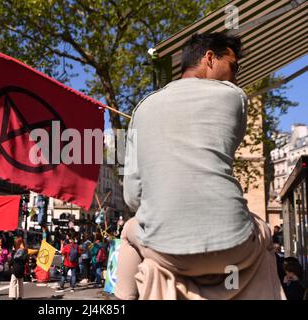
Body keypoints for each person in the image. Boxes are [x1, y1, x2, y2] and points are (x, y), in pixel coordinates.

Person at [115, 32, 285, 300]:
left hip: (167, 249)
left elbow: (132, 196)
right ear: (209, 58)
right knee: (264, 234)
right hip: (233, 246)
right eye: (233, 66)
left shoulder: (142, 109)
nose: (236, 77)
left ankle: (121, 300)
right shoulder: (235, 97)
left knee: (128, 233)